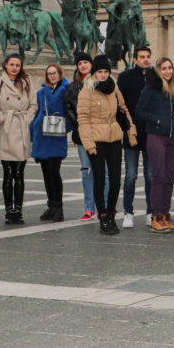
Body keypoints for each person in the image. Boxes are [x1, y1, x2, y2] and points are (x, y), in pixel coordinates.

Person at [78, 55, 137, 235]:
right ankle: (102, 214)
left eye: (105, 72)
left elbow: (124, 109)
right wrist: (89, 144)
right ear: (94, 73)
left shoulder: (114, 88)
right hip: (96, 139)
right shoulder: (86, 91)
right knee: (100, 179)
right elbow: (83, 119)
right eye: (100, 72)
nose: (103, 75)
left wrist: (131, 132)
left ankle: (111, 212)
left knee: (115, 179)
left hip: (114, 138)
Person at [136, 57, 174, 234]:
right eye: (164, 68)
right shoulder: (151, 88)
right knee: (159, 177)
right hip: (157, 136)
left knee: (170, 178)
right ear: (158, 70)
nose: (167, 71)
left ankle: (165, 214)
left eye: (170, 68)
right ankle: (156, 216)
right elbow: (139, 111)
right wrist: (156, 120)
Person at [0, 54, 36, 225]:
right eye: (12, 64)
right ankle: (9, 209)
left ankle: (19, 209)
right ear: (6, 66)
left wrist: (26, 119)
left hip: (21, 128)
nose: (15, 67)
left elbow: (33, 105)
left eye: (17, 64)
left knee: (19, 173)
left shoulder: (27, 81)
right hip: (6, 129)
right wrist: (3, 118)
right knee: (8, 173)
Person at [117, 46, 153, 229]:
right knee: (131, 175)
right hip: (131, 132)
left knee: (150, 176)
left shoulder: (155, 77)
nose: (146, 59)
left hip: (151, 133)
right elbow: (120, 105)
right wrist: (126, 125)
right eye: (142, 57)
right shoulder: (125, 77)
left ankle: (150, 212)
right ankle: (128, 212)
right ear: (135, 59)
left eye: (148, 57)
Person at [64, 52, 103, 221]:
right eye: (80, 63)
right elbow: (68, 107)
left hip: (100, 133)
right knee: (87, 170)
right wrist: (78, 123)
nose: (83, 65)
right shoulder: (73, 86)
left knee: (103, 171)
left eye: (86, 62)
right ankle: (89, 207)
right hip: (82, 134)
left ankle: (105, 205)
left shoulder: (101, 82)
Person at [29, 64, 70, 223]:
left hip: (56, 134)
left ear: (60, 74)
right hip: (42, 134)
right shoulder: (41, 92)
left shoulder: (66, 90)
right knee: (46, 173)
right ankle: (51, 205)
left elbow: (71, 110)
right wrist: (32, 131)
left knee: (54, 171)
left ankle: (59, 207)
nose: (52, 76)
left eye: (55, 73)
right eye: (49, 74)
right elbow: (37, 112)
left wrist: (68, 126)